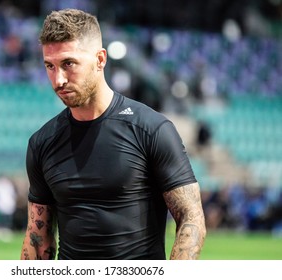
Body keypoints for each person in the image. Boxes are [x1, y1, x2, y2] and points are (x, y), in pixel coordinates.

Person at [21, 8, 206, 260]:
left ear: (100, 59)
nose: (58, 79)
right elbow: (38, 236)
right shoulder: (42, 142)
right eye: (49, 66)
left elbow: (191, 219)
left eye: (69, 64)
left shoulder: (151, 129)